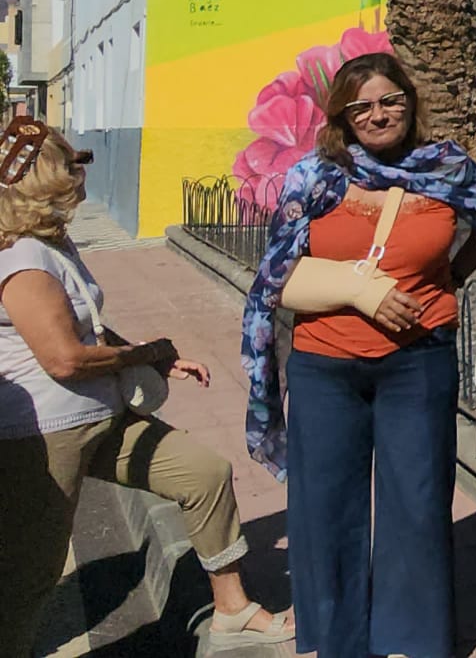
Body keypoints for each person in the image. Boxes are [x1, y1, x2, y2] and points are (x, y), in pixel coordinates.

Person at [0, 120, 294, 656]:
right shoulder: (23, 258)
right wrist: (143, 355)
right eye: (72, 161)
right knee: (30, 576)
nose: (81, 170)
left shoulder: (54, 242)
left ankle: (232, 611)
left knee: (205, 474)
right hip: (44, 434)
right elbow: (65, 358)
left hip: (102, 417)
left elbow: (86, 326)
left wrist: (160, 358)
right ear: (46, 178)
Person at [240, 51, 476, 658]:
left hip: (420, 361)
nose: (378, 115)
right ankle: (336, 641)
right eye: (361, 106)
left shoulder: (450, 169)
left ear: (410, 102)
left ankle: (413, 641)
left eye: (390, 101)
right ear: (342, 115)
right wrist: (364, 291)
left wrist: (444, 282)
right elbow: (278, 274)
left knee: (416, 503)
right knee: (325, 507)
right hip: (325, 366)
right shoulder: (314, 176)